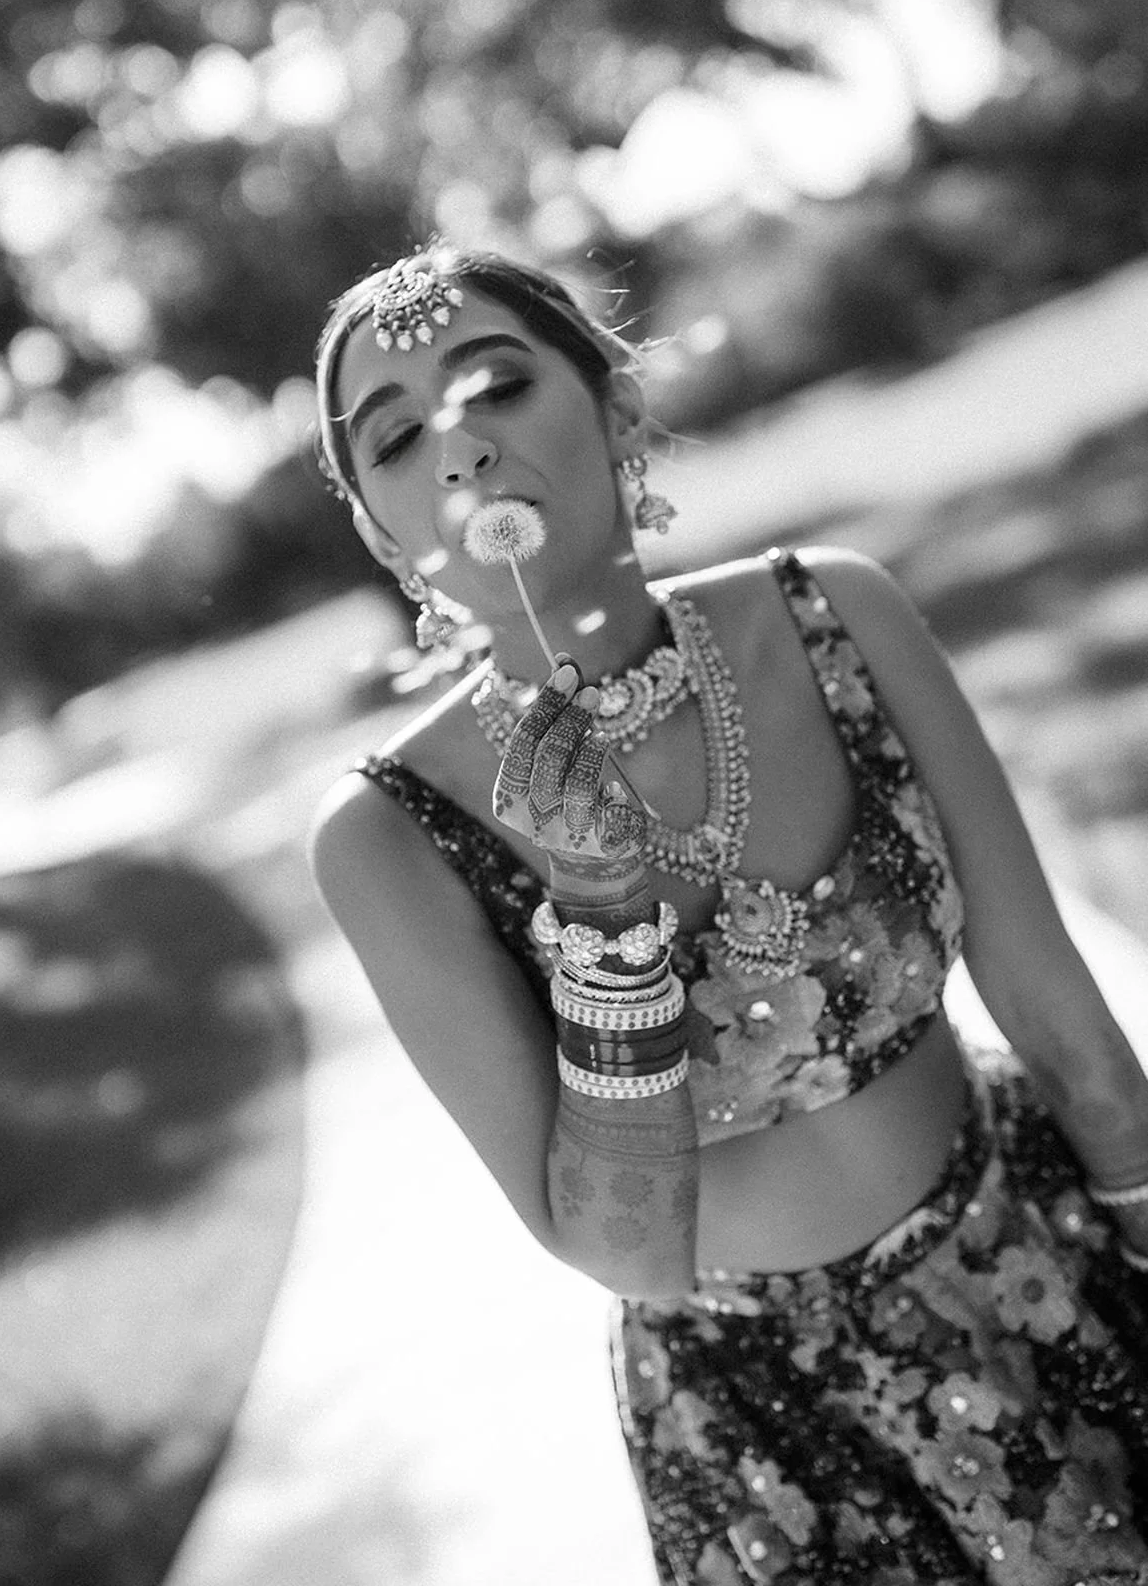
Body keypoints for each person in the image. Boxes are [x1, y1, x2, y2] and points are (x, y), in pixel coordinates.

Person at [308, 242, 1148, 1584]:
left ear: (616, 405)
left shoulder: (838, 614)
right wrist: (598, 922)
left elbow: (1069, 1031)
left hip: (1038, 1257)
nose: (459, 450)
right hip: (768, 1431)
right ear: (382, 533)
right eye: (399, 438)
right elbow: (628, 1254)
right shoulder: (386, 842)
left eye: (498, 386)